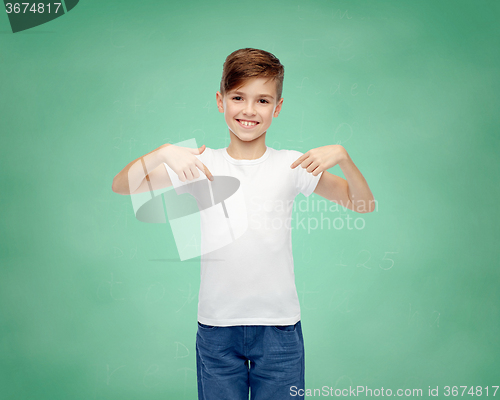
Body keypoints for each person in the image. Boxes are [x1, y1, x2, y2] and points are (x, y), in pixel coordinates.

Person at [112, 48, 375, 400]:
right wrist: (162, 152)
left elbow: (363, 204)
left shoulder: (292, 165)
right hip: (217, 327)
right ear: (221, 101)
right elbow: (122, 185)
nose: (249, 110)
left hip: (279, 327)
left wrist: (343, 156)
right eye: (238, 97)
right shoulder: (199, 163)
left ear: (277, 108)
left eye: (262, 100)